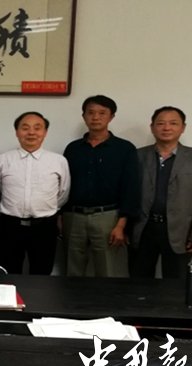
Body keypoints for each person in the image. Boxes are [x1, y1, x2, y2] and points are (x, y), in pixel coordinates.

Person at [130, 106, 192, 281]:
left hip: (181, 230)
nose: (167, 128)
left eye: (173, 123)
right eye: (161, 123)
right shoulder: (137, 155)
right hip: (143, 227)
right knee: (138, 280)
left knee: (176, 283)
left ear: (183, 128)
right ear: (152, 127)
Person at [61, 95, 140, 277]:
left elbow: (131, 187)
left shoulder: (124, 148)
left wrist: (122, 225)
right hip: (73, 217)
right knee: (72, 270)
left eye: (102, 113)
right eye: (91, 113)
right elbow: (63, 185)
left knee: (108, 271)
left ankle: (107, 298)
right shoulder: (73, 148)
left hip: (108, 217)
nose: (95, 117)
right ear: (84, 116)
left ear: (111, 116)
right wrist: (61, 216)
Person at [0, 111, 70, 274]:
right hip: (10, 226)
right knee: (9, 273)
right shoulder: (2, 160)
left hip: (45, 227)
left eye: (37, 128)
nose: (31, 132)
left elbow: (63, 193)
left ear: (45, 132)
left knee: (42, 274)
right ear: (17, 132)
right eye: (25, 128)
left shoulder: (58, 161)